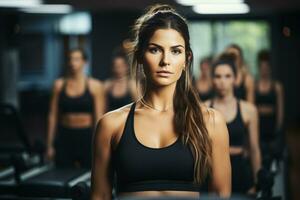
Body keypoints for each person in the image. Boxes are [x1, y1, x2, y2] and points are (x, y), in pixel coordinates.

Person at [91, 4, 231, 199]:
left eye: (175, 51)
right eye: (155, 50)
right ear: (140, 55)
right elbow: (100, 196)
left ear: (186, 59)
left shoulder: (210, 122)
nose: (165, 60)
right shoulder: (112, 124)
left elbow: (221, 195)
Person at [205, 53, 261, 194]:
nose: (222, 81)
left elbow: (254, 149)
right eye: (218, 76)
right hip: (212, 173)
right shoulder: (203, 109)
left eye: (227, 76)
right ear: (212, 80)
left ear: (235, 79)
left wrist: (258, 182)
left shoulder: (249, 110)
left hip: (240, 171)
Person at [46, 48, 105, 168]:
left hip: (86, 137)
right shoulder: (59, 85)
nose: (72, 63)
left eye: (77, 59)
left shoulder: (95, 86)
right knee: (62, 174)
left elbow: (99, 119)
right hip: (65, 136)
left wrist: (100, 147)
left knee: (88, 176)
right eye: (70, 59)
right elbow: (52, 116)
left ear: (85, 62)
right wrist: (49, 145)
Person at [255, 50, 284, 168]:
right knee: (260, 161)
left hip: (271, 128)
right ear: (258, 67)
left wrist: (277, 130)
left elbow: (280, 111)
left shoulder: (277, 87)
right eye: (262, 67)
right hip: (258, 127)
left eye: (266, 67)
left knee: (274, 163)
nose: (264, 70)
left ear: (270, 68)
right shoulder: (254, 85)